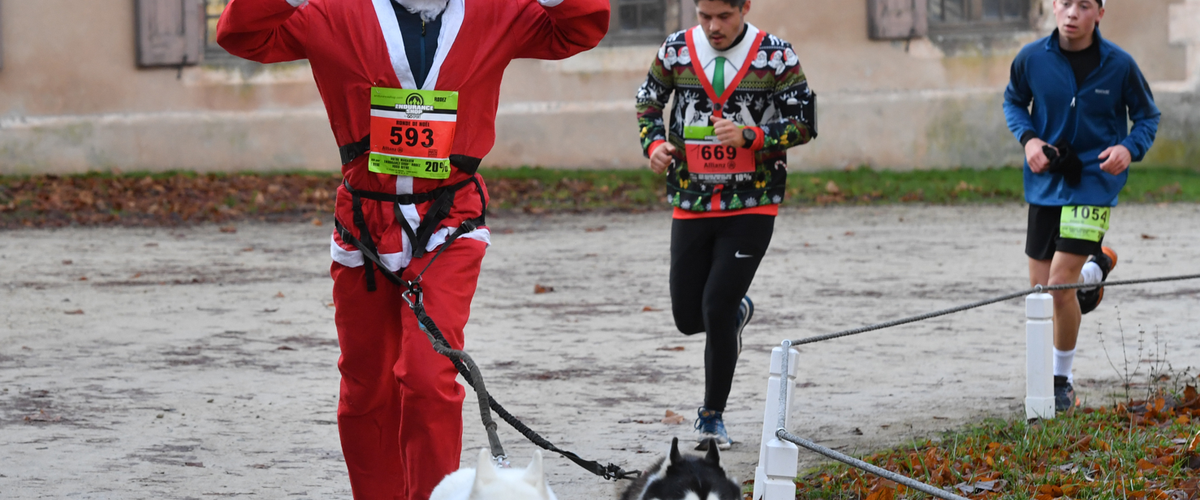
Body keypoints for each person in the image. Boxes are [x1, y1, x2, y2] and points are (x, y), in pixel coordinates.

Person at [217, 1, 608, 498]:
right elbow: (242, 35)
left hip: (450, 221)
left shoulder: (495, 11)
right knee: (366, 386)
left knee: (427, 376)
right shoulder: (334, 12)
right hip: (364, 224)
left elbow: (579, 29)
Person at [635, 0, 816, 449]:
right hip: (691, 200)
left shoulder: (775, 55)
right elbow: (647, 102)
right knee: (686, 316)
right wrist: (654, 144)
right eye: (704, 16)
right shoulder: (676, 50)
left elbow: (806, 122)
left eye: (723, 17)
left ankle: (712, 417)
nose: (713, 27)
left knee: (714, 307)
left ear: (744, 8)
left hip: (752, 201)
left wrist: (752, 136)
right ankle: (735, 315)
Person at [1003, 0, 1159, 412]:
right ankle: (1094, 269)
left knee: (1057, 288)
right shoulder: (1031, 58)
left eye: (1084, 5)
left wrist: (1129, 148)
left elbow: (1147, 117)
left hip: (1094, 182)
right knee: (1042, 294)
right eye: (1065, 3)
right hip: (1045, 182)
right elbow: (1014, 102)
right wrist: (1030, 140)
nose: (1073, 12)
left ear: (1099, 14)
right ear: (1053, 8)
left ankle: (1060, 382)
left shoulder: (1120, 65)